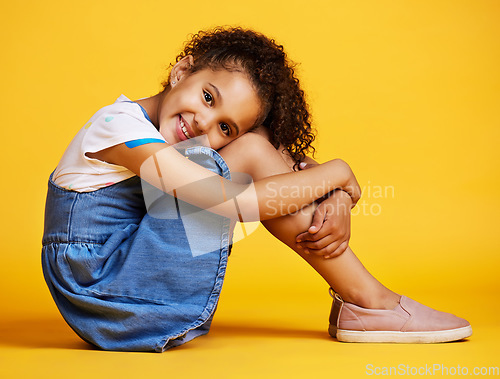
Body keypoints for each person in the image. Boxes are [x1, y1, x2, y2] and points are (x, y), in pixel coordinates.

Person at [42, 27, 471, 352]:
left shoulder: (182, 142)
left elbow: (283, 161)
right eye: (209, 97)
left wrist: (336, 194)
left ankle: (364, 302)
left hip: (126, 283)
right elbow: (233, 204)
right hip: (105, 290)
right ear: (182, 71)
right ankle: (368, 300)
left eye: (224, 125)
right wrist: (340, 172)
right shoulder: (117, 126)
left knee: (250, 149)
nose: (203, 123)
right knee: (239, 159)